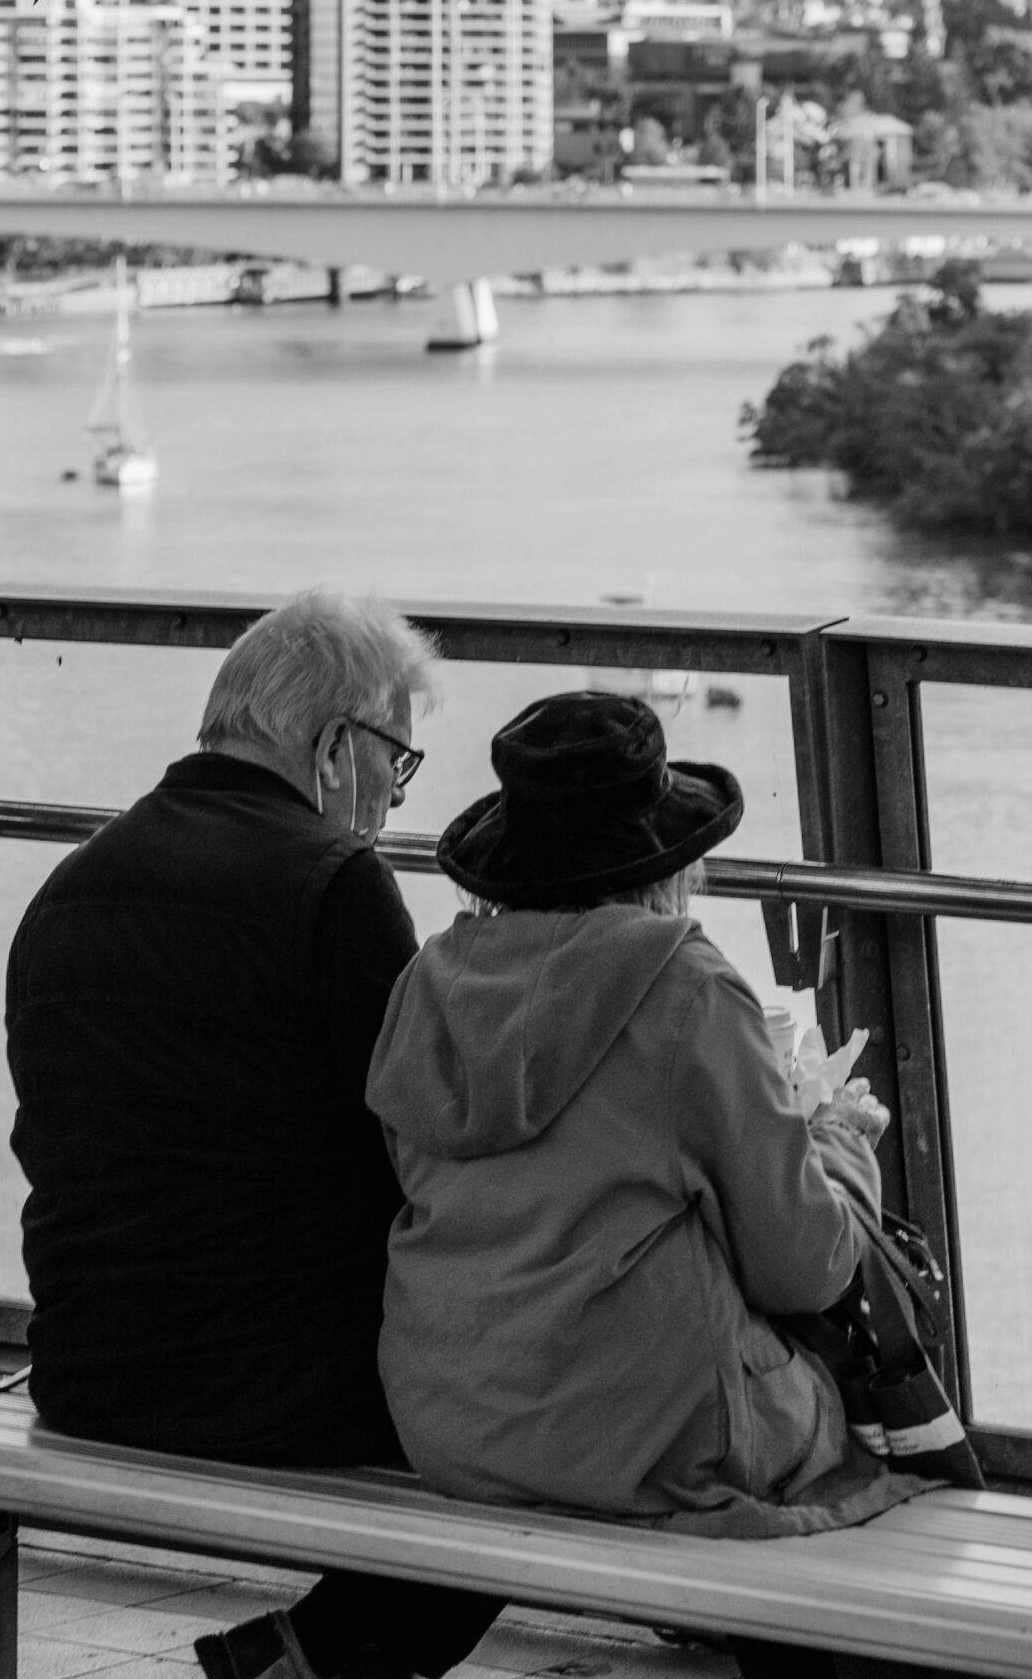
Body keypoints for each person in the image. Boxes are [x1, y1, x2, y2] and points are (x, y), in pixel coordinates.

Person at [366, 691, 928, 1678]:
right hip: (643, 1429)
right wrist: (840, 1138)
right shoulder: (686, 985)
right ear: (664, 855)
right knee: (868, 1406)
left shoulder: (428, 982)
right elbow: (807, 1264)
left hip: (449, 1411)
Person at [5, 587, 499, 1679]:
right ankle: (317, 1657)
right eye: (395, 764)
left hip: (88, 1369)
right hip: (275, 1395)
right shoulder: (334, 884)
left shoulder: (73, 886)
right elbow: (418, 1152)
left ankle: (305, 1657)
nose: (390, 801)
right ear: (333, 747)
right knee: (534, 1408)